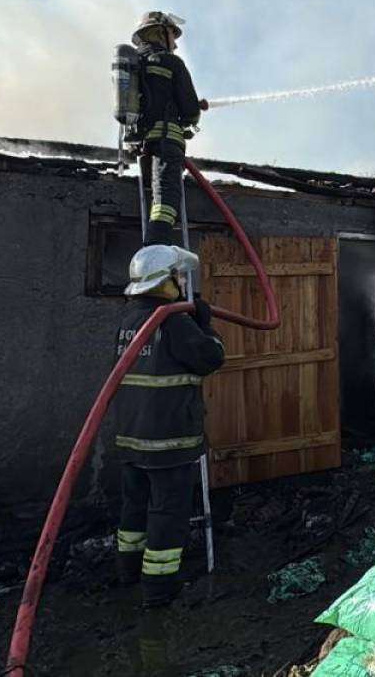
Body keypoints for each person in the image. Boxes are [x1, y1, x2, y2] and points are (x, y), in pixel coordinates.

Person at [112, 245, 224, 607]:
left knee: (133, 509)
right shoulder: (173, 321)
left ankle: (127, 571)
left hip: (131, 437)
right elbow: (210, 358)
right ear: (166, 281)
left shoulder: (130, 321)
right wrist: (204, 324)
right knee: (167, 513)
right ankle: (159, 590)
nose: (181, 282)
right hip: (169, 441)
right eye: (178, 276)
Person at [129, 11, 203, 247]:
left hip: (143, 146)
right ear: (161, 33)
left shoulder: (135, 65)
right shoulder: (172, 63)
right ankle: (154, 249)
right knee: (166, 200)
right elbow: (190, 109)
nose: (176, 42)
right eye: (173, 34)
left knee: (152, 198)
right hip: (166, 143)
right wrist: (193, 112)